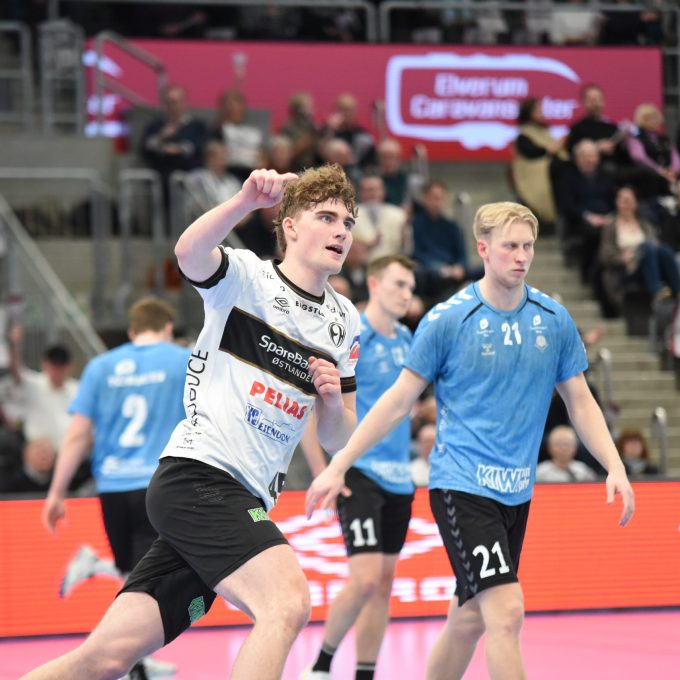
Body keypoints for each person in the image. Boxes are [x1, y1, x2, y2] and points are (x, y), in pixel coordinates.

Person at [21, 164, 361, 680]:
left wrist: (331, 402)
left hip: (239, 497)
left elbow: (339, 437)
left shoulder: (344, 320)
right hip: (201, 477)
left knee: (104, 659)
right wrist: (244, 202)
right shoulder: (247, 277)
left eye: (349, 222)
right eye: (327, 217)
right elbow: (188, 253)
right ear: (290, 226)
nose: (342, 232)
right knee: (286, 603)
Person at [306, 200, 635, 680]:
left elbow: (580, 401)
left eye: (528, 247)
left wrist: (615, 465)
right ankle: (323, 664)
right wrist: (337, 465)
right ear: (482, 249)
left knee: (468, 620)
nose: (521, 256)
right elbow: (397, 402)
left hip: (517, 492)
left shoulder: (553, 318)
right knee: (506, 611)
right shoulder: (447, 320)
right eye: (510, 246)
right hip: (461, 487)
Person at [39, 298, 189, 678]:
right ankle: (128, 659)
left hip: (112, 487)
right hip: (158, 483)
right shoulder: (183, 360)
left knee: (132, 573)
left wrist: (56, 492)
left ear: (132, 331)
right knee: (147, 580)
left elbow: (77, 434)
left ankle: (137, 660)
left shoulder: (100, 367)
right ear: (167, 328)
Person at [302, 255, 416, 680]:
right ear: (374, 284)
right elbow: (311, 408)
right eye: (399, 284)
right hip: (358, 472)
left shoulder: (407, 339)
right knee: (365, 579)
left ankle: (365, 673)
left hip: (400, 478)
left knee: (383, 584)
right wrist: (325, 470)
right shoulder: (352, 335)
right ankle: (321, 666)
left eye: (410, 287)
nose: (406, 294)